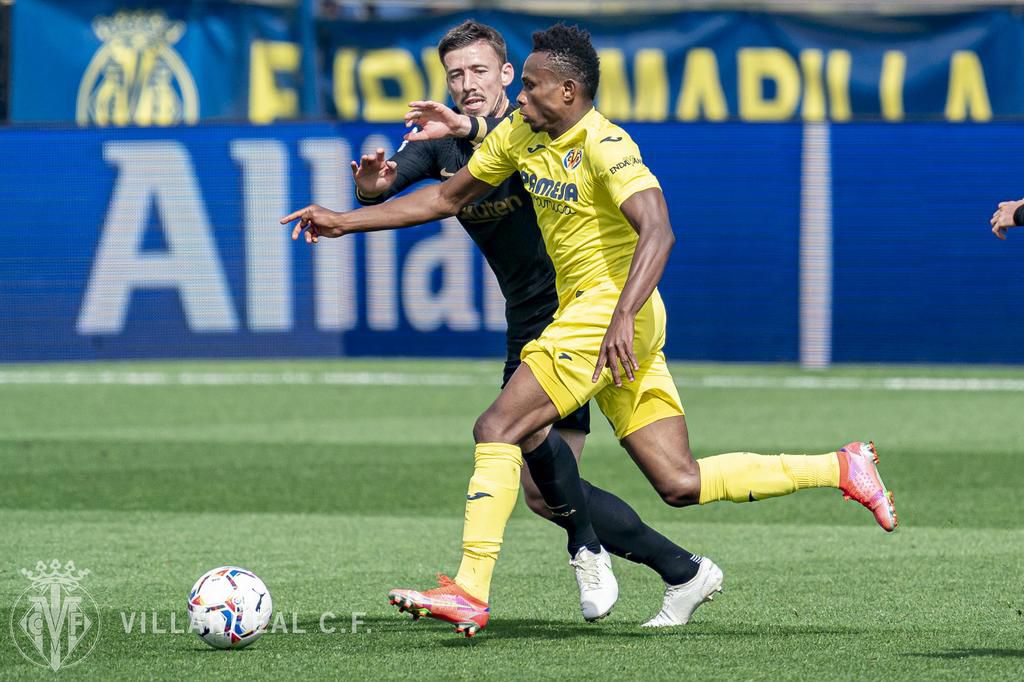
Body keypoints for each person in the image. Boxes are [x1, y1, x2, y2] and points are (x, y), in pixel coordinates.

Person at [282, 23, 898, 638]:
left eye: (530, 86)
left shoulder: (606, 145)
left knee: (498, 428)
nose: (521, 97)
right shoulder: (522, 134)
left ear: (568, 91)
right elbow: (446, 199)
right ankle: (841, 468)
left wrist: (621, 315)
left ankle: (471, 588)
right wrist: (344, 220)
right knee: (678, 480)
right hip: (606, 317)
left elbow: (659, 230)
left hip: (607, 312)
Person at [347, 19, 710, 630]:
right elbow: (412, 190)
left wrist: (467, 128)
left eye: (479, 70)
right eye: (455, 74)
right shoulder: (441, 146)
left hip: (573, 312)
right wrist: (366, 193)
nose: (467, 83)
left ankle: (569, 557)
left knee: (509, 437)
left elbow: (516, 137)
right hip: (527, 317)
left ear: (508, 74)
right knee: (548, 490)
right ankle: (673, 567)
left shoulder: (534, 124)